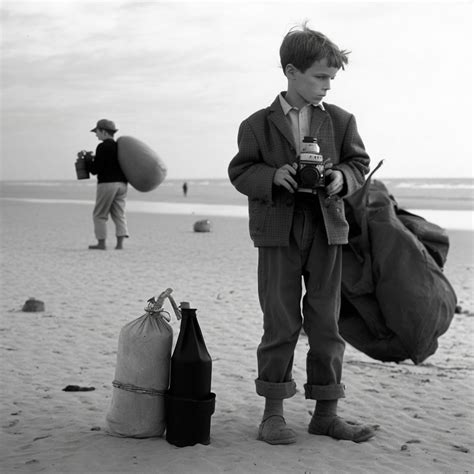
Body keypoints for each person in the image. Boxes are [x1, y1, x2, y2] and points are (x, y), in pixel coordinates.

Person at [228, 24, 376, 445]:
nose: (327, 86)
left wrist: (340, 180)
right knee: (280, 322)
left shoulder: (343, 120)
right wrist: (274, 175)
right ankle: (272, 414)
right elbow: (240, 171)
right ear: (291, 71)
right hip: (277, 230)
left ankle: (326, 413)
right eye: (320, 77)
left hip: (328, 230)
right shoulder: (256, 125)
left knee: (327, 323)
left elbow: (358, 165)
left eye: (332, 78)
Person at [87, 119, 129, 250]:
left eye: (97, 131)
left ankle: (101, 243)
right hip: (122, 184)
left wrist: (88, 162)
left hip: (107, 184)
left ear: (103, 131)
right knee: (119, 214)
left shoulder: (103, 146)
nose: (96, 134)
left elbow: (95, 169)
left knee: (99, 214)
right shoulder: (119, 146)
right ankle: (120, 244)